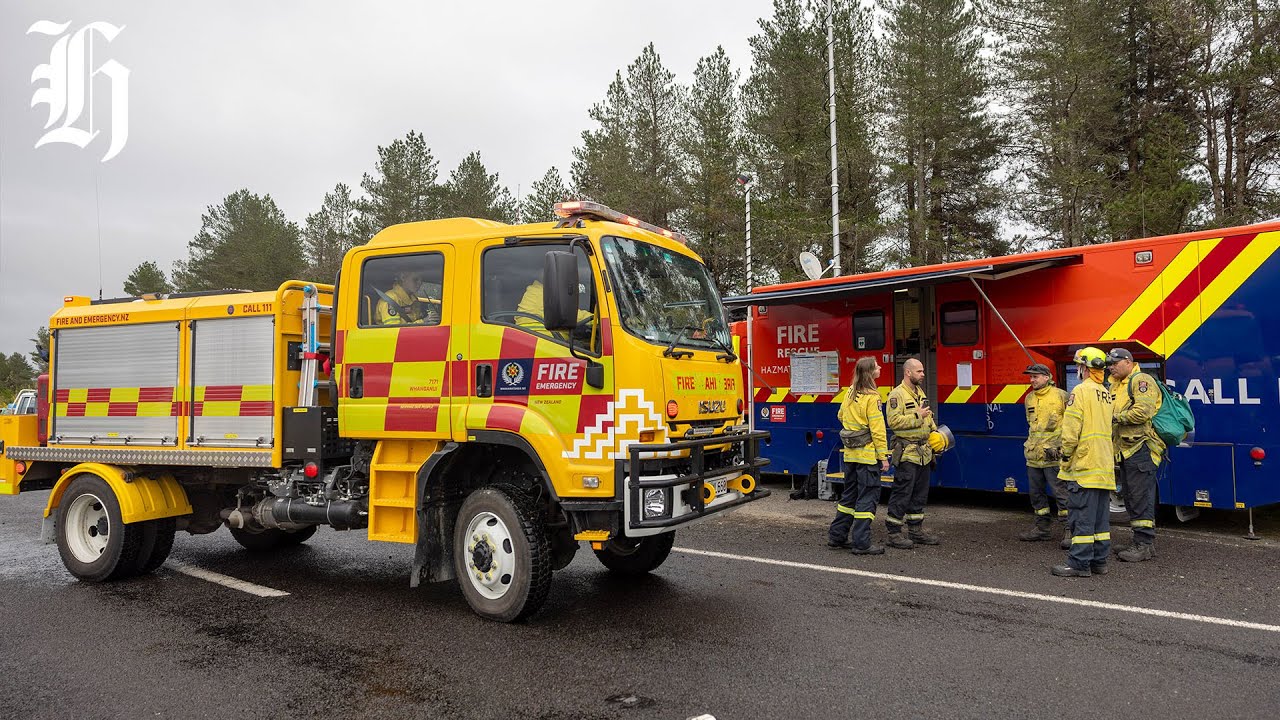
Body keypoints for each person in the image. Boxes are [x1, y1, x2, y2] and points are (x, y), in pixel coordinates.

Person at [1052, 347, 1116, 578]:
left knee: (1081, 518)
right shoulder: (1106, 393)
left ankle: (1079, 564)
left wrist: (1065, 455)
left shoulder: (1080, 391)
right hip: (1104, 467)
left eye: (1079, 365)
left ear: (1085, 368)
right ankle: (1099, 562)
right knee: (1100, 521)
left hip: (1084, 466)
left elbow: (1071, 430)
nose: (1078, 369)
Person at [827, 357, 891, 555]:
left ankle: (837, 536)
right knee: (867, 498)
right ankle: (861, 543)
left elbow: (840, 416)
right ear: (870, 372)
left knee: (849, 496)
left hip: (850, 456)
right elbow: (878, 430)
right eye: (877, 366)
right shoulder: (873, 397)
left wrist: (854, 427)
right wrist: (883, 457)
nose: (880, 367)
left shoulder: (850, 392)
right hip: (868, 458)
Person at [1107, 347, 1165, 562]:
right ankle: (1140, 542)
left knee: (1141, 498)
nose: (1111, 367)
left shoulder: (1141, 381)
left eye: (1115, 363)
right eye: (1109, 364)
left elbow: (1143, 412)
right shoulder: (1115, 385)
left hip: (1142, 449)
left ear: (1128, 362)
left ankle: (1143, 545)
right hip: (1125, 450)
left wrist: (1114, 418)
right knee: (1131, 497)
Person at [884, 358, 939, 549]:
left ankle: (915, 531)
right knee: (902, 493)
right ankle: (894, 533)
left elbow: (928, 416)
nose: (923, 374)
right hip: (907, 453)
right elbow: (894, 422)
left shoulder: (919, 392)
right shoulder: (896, 395)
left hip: (924, 453)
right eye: (919, 371)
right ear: (908, 372)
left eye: (923, 371)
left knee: (919, 495)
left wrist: (935, 433)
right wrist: (917, 416)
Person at [1018, 363, 1072, 544]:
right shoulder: (1029, 398)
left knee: (1061, 494)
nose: (1031, 380)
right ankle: (1042, 529)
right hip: (1034, 455)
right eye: (1030, 377)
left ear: (1047, 377)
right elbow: (1031, 425)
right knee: (1036, 494)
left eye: (1035, 376)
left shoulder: (1062, 396)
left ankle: (1069, 530)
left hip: (1054, 455)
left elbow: (1071, 424)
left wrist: (1065, 449)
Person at [515, 279, 593, 340]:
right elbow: (573, 316)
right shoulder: (542, 294)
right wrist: (598, 318)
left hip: (541, 344)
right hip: (544, 347)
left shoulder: (540, 290)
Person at [374, 269, 440, 326]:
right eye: (415, 279)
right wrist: (424, 321)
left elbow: (416, 319)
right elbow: (393, 329)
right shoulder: (391, 299)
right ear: (403, 277)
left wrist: (430, 318)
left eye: (421, 280)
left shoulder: (413, 299)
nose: (419, 283)